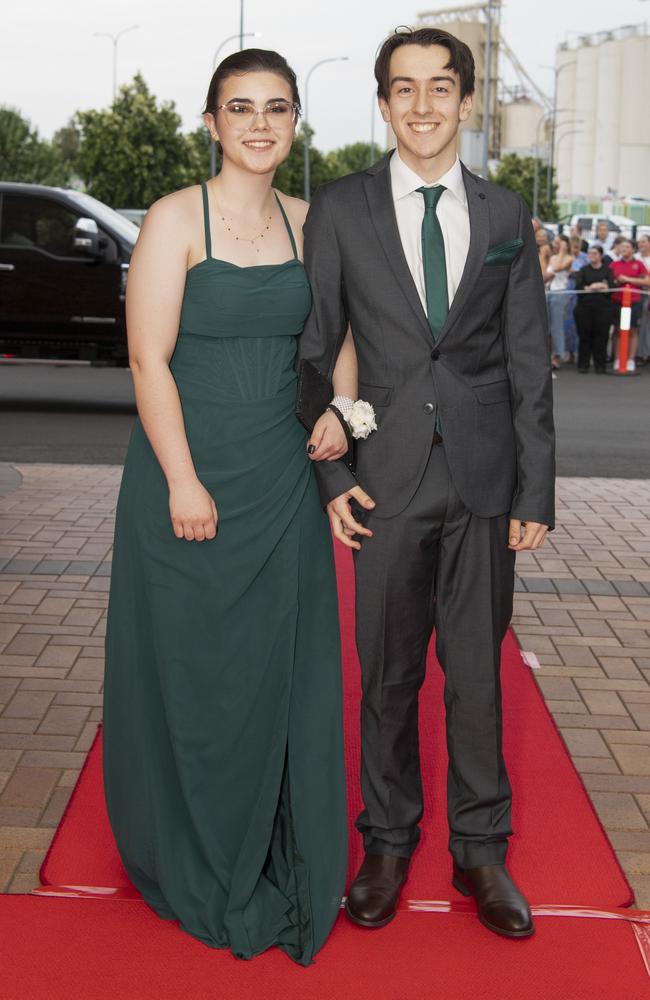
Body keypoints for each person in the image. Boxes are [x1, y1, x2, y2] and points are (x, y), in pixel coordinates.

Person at [299, 26, 555, 940]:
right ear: (381, 103)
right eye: (402, 89)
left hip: (485, 482)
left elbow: (530, 361)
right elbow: (312, 350)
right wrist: (330, 471)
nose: (421, 106)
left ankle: (482, 853)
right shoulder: (341, 209)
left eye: (439, 88)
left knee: (478, 678)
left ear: (466, 100)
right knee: (388, 677)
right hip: (385, 483)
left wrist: (535, 492)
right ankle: (388, 845)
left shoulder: (505, 214)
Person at [102, 48, 352, 966]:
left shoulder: (310, 221)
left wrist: (340, 413)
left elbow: (336, 345)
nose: (258, 123)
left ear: (294, 123)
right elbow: (147, 360)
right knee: (198, 668)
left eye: (276, 107)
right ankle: (195, 844)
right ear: (210, 123)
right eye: (239, 107)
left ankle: (281, 840)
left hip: (284, 476)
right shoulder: (174, 219)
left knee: (273, 670)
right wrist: (182, 477)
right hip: (188, 475)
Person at [609, 238, 650, 371]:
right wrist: (616, 282)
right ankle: (618, 358)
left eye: (627, 247)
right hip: (617, 301)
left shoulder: (639, 264)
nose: (624, 249)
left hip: (634, 301)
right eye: (622, 247)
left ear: (633, 249)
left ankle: (631, 359)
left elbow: (647, 281)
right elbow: (610, 280)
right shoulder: (614, 264)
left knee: (632, 330)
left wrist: (628, 279)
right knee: (618, 330)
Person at [573, 244, 614, 373]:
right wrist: (597, 286)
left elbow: (611, 287)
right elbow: (579, 287)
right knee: (585, 336)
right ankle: (583, 364)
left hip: (603, 308)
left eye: (595, 253)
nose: (592, 256)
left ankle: (600, 365)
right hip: (585, 307)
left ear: (601, 255)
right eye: (590, 253)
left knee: (601, 336)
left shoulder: (608, 270)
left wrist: (597, 286)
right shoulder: (583, 270)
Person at [545, 234, 573, 368]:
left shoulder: (568, 258)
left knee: (557, 326)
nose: (554, 245)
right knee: (547, 326)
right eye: (554, 242)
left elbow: (556, 268)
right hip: (549, 291)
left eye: (557, 243)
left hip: (560, 293)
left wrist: (562, 251)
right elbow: (548, 274)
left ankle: (556, 355)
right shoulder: (552, 257)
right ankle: (548, 354)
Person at [636, 233, 650, 364]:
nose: (641, 244)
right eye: (640, 242)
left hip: (648, 295)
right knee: (639, 325)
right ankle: (640, 353)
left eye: (644, 242)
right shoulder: (635, 258)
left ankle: (646, 352)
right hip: (637, 295)